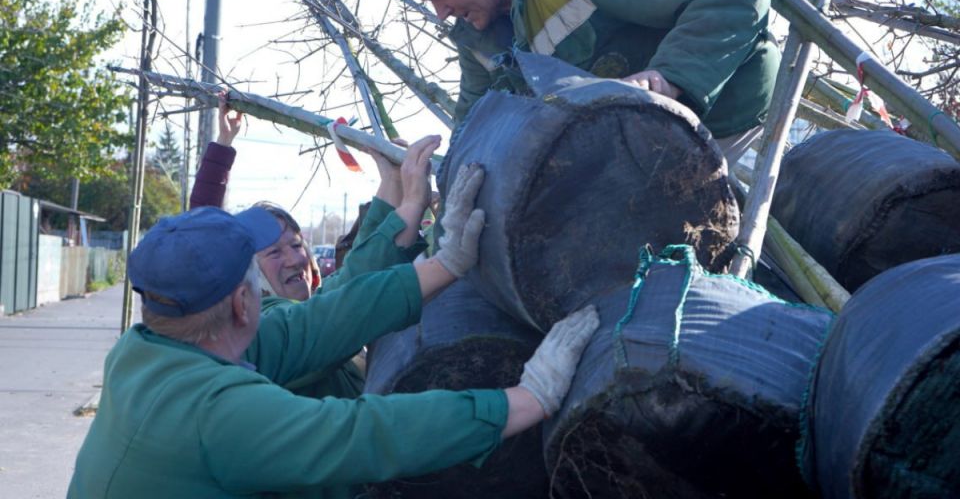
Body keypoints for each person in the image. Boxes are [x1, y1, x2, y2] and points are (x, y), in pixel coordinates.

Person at [67, 174, 600, 499]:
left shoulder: (141, 351)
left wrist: (447, 263)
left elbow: (320, 324)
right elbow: (365, 433)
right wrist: (528, 399)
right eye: (260, 266)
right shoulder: (219, 416)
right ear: (241, 302)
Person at [391, 0, 780, 163]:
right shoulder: (475, 30)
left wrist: (670, 77)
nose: (441, 13)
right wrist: (434, 170)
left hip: (729, 116)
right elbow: (477, 125)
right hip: (638, 147)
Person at [190, 96, 437, 399]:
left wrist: (392, 179)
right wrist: (412, 204)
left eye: (296, 244)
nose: (295, 259)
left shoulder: (311, 303)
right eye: (274, 253)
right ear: (247, 277)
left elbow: (356, 268)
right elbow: (352, 290)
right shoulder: (260, 333)